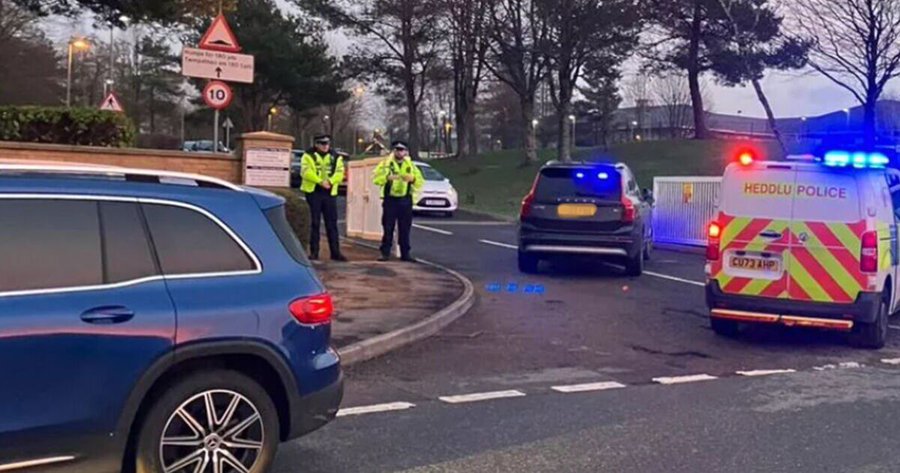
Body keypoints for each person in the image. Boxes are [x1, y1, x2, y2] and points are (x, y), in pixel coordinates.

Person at [372, 140, 424, 262]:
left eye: (402, 150)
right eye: (397, 150)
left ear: (406, 152)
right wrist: (386, 177)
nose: (399, 152)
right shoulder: (386, 164)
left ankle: (405, 254)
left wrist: (413, 178)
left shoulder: (410, 165)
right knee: (388, 227)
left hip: (405, 200)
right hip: (390, 200)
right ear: (393, 151)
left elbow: (420, 181)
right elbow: (375, 178)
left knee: (405, 228)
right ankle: (385, 253)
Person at [300, 134, 347, 261]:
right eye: (322, 144)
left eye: (327, 144)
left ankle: (335, 252)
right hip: (314, 192)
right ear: (316, 144)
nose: (325, 146)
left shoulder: (336, 156)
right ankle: (314, 252)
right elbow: (306, 172)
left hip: (330, 193)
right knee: (314, 223)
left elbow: (340, 172)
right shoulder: (308, 155)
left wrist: (330, 182)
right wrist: (320, 181)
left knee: (332, 224)